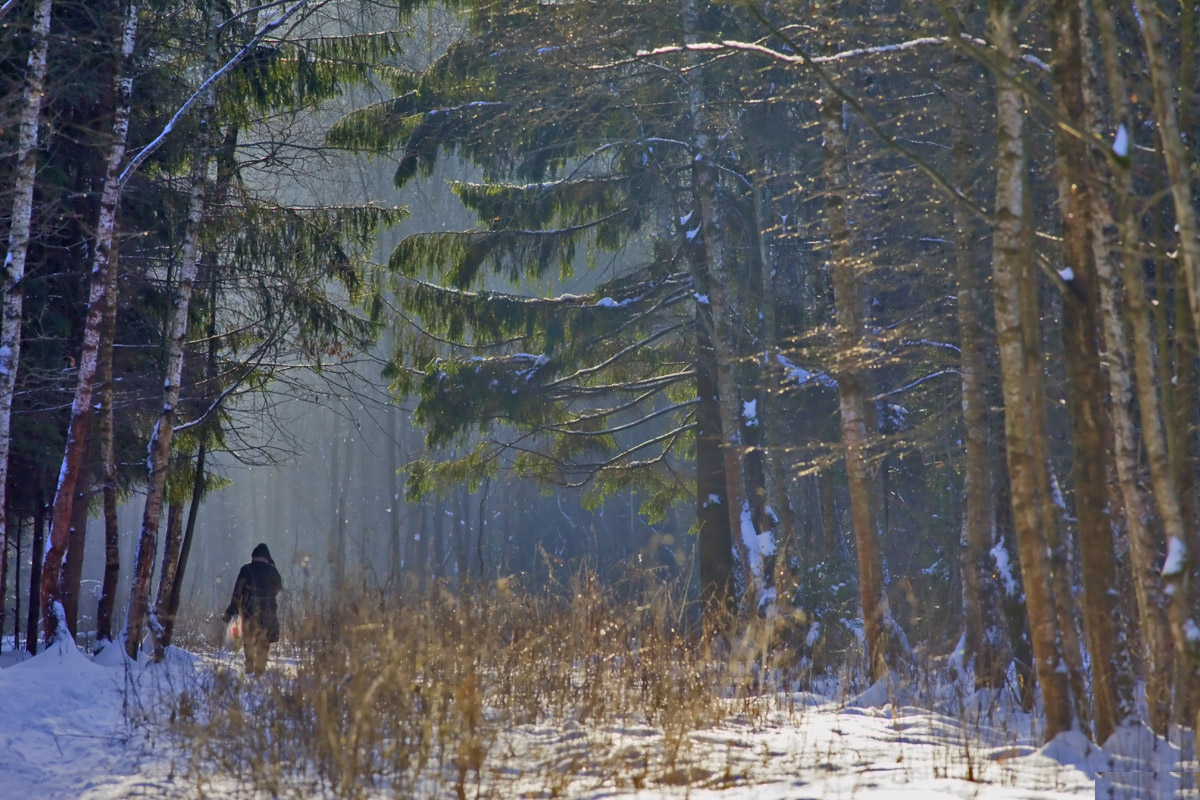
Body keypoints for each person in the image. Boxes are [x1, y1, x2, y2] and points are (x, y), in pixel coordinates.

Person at [222, 543, 283, 675]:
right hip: (268, 613)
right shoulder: (272, 571)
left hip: (250, 612)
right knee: (264, 641)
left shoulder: (246, 569)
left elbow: (238, 593)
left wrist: (231, 610)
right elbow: (279, 587)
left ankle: (249, 666)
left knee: (249, 639)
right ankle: (260, 670)